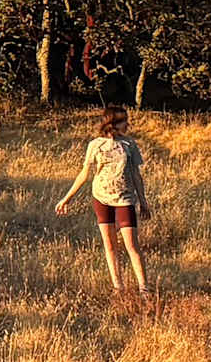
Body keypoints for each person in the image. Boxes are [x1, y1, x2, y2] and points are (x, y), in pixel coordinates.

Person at [54, 105, 151, 299]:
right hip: (101, 198)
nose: (127, 124)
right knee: (109, 244)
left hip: (124, 199)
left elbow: (136, 175)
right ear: (112, 124)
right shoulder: (95, 145)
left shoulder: (129, 145)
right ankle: (118, 287)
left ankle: (144, 289)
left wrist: (143, 202)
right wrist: (66, 199)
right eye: (123, 120)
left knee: (132, 245)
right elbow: (84, 173)